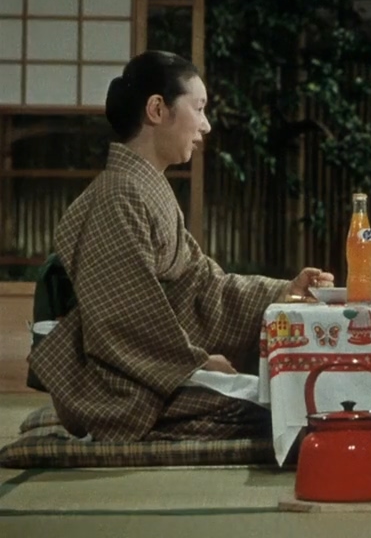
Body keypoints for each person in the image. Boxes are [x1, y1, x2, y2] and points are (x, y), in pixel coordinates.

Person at [29, 50, 335, 443]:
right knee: (286, 405)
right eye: (200, 108)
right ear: (157, 109)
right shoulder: (117, 196)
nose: (205, 125)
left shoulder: (142, 187)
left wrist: (281, 290)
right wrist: (196, 362)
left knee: (291, 397)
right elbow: (123, 319)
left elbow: (203, 282)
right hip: (125, 385)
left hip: (164, 367)